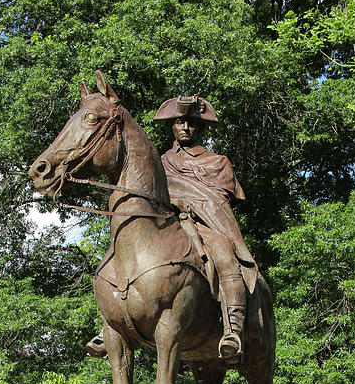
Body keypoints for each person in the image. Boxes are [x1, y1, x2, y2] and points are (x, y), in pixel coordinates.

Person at [86, 93, 257, 362]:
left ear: (199, 127)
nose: (185, 127)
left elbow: (218, 200)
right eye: (179, 122)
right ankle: (111, 321)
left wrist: (189, 205)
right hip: (168, 224)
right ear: (172, 127)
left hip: (204, 226)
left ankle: (232, 330)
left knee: (224, 254)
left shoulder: (217, 162)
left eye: (190, 123)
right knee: (119, 253)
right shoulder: (161, 161)